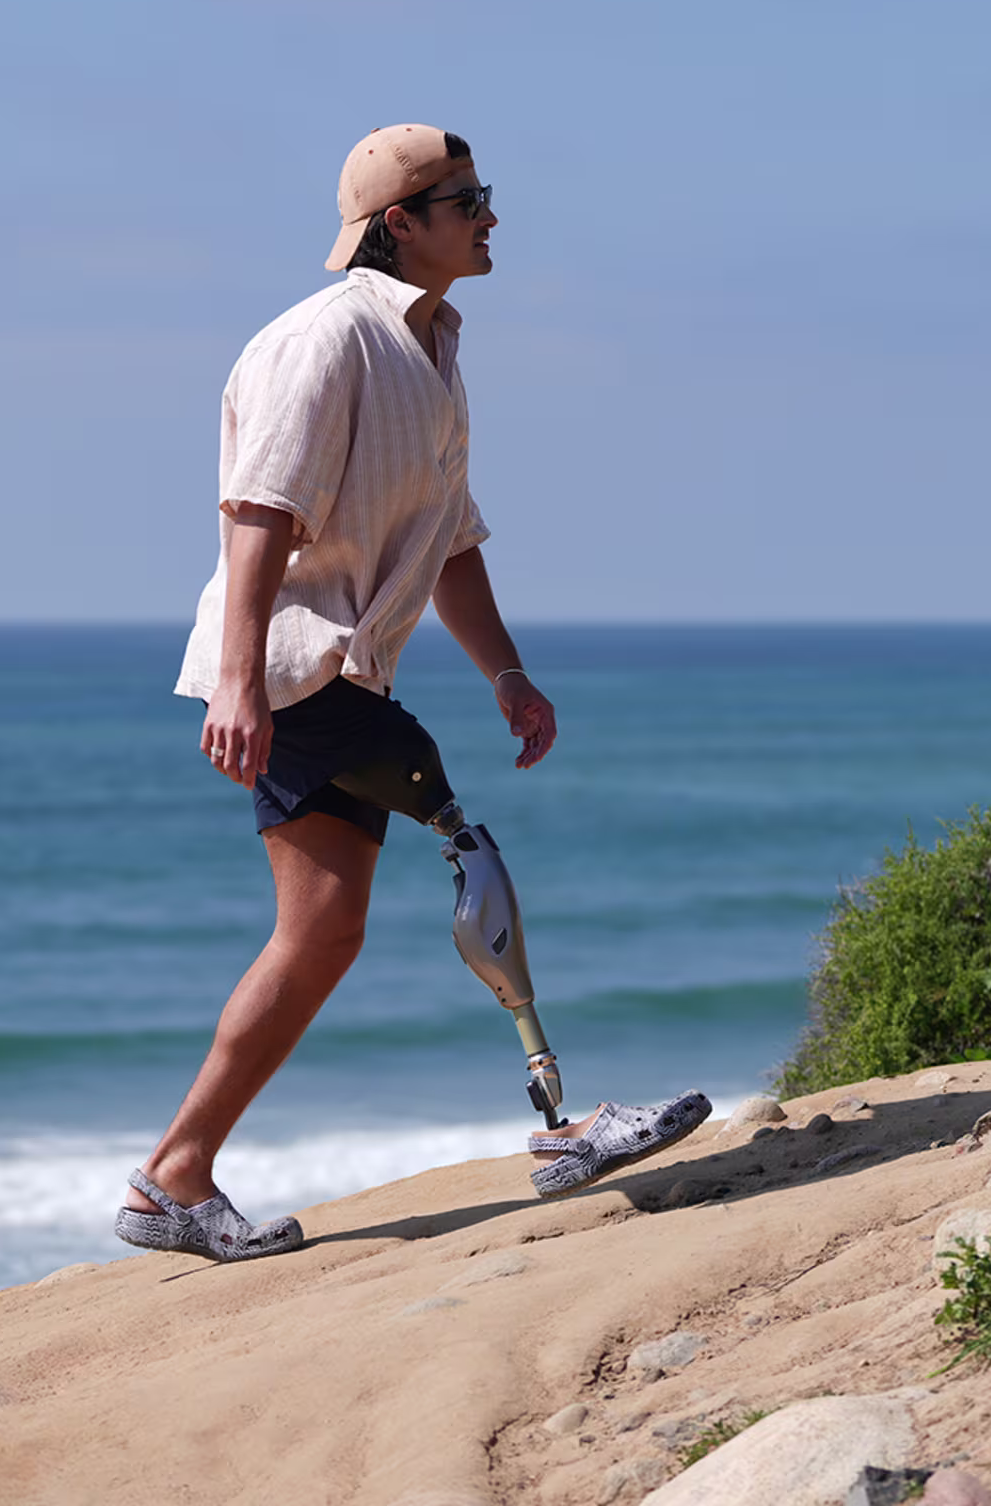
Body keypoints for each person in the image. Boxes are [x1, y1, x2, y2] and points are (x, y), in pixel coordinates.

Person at [115, 125, 709, 1263]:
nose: (489, 216)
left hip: (333, 669)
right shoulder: (324, 342)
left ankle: (172, 1179)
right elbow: (257, 516)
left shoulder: (433, 344)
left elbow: (451, 540)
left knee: (323, 932)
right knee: (461, 846)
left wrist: (507, 671)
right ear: (402, 222)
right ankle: (561, 1123)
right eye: (465, 199)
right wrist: (237, 682)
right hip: (295, 669)